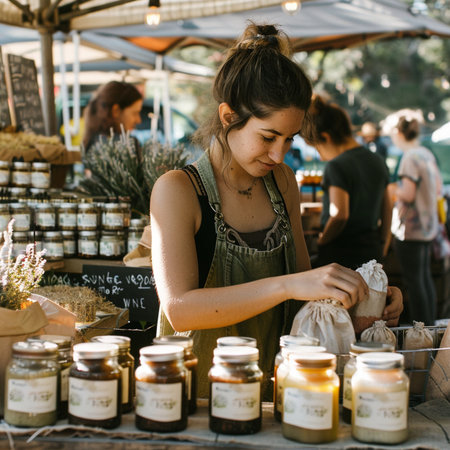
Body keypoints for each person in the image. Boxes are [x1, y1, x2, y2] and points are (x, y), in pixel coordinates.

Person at [150, 23, 403, 399]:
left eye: (290, 140)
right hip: (197, 398)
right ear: (227, 116)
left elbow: (303, 287)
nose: (278, 155)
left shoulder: (282, 181)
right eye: (268, 137)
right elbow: (180, 310)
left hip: (278, 390)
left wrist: (364, 297)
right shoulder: (178, 190)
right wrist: (286, 286)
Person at [301, 95, 392, 270]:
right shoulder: (377, 161)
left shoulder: (336, 166)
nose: (320, 157)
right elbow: (387, 207)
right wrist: (384, 242)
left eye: (317, 149)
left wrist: (321, 241)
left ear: (326, 137)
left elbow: (339, 214)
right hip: (372, 250)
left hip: (341, 253)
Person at [383, 109, 441, 325]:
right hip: (427, 227)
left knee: (415, 283)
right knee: (424, 280)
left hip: (411, 229)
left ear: (398, 132)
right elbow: (436, 189)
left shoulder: (409, 157)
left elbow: (407, 193)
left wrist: (390, 189)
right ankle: (430, 327)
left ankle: (421, 330)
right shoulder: (426, 153)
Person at [82, 81, 143, 154]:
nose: (139, 120)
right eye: (135, 113)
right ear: (116, 111)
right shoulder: (128, 147)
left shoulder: (92, 141)